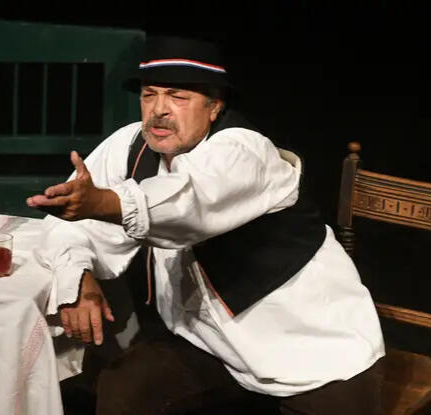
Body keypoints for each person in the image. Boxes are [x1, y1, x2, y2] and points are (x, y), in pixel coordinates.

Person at [27, 36, 385, 414]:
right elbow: (66, 226)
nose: (159, 110)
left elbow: (187, 204)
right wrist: (78, 280)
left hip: (311, 351)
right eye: (149, 95)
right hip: (208, 344)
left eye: (177, 97)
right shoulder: (132, 146)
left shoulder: (244, 152)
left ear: (214, 106)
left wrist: (101, 203)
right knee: (125, 390)